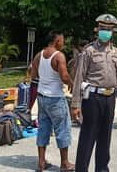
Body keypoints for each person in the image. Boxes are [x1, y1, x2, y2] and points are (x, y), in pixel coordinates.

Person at [72, 14, 117, 172]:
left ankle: (102, 169)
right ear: (97, 30)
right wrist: (76, 104)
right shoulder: (89, 51)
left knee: (105, 137)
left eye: (109, 29)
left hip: (110, 98)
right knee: (88, 138)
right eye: (103, 29)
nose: (106, 32)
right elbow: (79, 78)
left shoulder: (116, 52)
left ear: (112, 31)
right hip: (93, 99)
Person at [30, 30, 75, 172]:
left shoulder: (39, 55)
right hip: (55, 98)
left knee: (43, 128)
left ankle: (41, 163)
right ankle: (64, 163)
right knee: (62, 128)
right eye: (62, 40)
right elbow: (64, 76)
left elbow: (33, 74)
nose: (64, 43)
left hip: (42, 97)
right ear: (57, 41)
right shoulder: (59, 56)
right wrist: (72, 84)